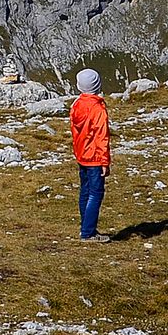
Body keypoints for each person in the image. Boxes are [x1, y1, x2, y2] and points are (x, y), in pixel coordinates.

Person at [69, 68, 111, 240]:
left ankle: (85, 227)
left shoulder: (76, 105)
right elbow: (102, 136)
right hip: (94, 157)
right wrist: (105, 161)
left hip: (82, 155)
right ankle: (88, 232)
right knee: (96, 193)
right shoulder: (98, 109)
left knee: (85, 191)